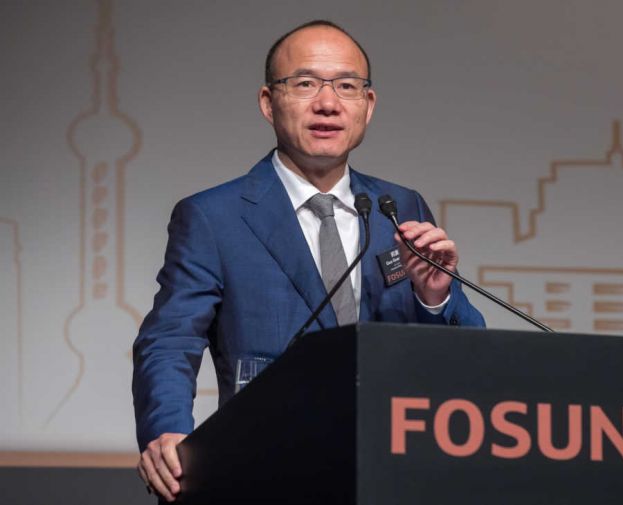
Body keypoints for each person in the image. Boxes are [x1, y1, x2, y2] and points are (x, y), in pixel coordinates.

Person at [132, 20, 485, 501]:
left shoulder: (400, 207)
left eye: (347, 86)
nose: (327, 103)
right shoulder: (214, 216)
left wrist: (434, 299)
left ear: (368, 105)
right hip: (268, 473)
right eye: (304, 84)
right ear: (268, 102)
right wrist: (167, 431)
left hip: (393, 473)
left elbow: (466, 351)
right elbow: (171, 340)